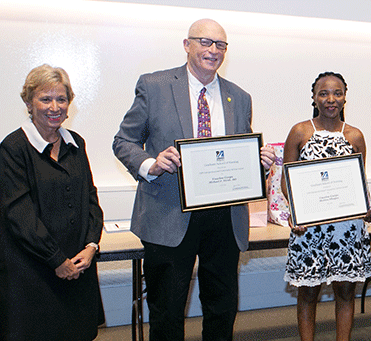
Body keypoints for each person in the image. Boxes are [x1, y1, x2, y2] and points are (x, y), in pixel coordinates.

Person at [113, 19, 275, 341]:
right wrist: (151, 163)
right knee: (168, 312)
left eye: (220, 45)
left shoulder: (239, 97)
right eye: (205, 42)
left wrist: (261, 165)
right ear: (187, 45)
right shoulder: (154, 85)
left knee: (222, 309)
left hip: (224, 218)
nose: (212, 50)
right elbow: (123, 141)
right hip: (169, 215)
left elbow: (237, 158)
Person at [0, 64, 105, 340]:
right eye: (45, 99)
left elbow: (91, 199)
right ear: (28, 102)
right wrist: (57, 260)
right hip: (34, 275)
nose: (54, 106)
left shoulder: (76, 144)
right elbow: (18, 213)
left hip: (77, 269)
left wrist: (91, 246)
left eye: (61, 98)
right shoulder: (13, 148)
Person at [282, 71, 371, 341]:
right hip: (308, 228)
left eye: (337, 93)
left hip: (346, 230)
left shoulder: (355, 135)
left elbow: (356, 184)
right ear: (314, 97)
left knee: (345, 291)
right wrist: (296, 212)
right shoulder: (300, 131)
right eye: (323, 93)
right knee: (308, 292)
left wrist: (366, 206)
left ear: (345, 98)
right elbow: (286, 182)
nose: (330, 99)